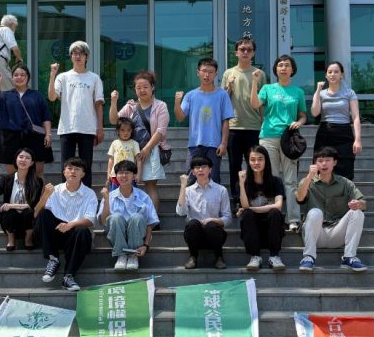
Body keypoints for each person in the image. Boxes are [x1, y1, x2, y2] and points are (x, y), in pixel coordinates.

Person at [250, 54, 307, 232]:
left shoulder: (298, 91)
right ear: (276, 69)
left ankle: (293, 219)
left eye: (287, 65)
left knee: (290, 180)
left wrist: (299, 122)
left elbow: (303, 115)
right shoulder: (267, 88)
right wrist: (254, 82)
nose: (283, 68)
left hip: (289, 139)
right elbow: (255, 104)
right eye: (280, 65)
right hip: (268, 136)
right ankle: (272, 215)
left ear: (292, 69)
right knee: (271, 177)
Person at [295, 146, 368, 273]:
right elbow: (299, 198)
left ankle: (349, 257)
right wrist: (309, 176)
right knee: (315, 212)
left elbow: (364, 203)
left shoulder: (345, 183)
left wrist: (359, 204)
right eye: (320, 160)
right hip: (315, 234)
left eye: (328, 160)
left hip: (337, 232)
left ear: (334, 162)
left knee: (357, 213)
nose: (324, 164)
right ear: (315, 164)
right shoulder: (307, 181)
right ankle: (308, 257)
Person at [109, 70, 170, 214]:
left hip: (152, 151)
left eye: (145, 87)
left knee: (150, 186)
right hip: (131, 152)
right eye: (138, 87)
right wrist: (113, 102)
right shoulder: (130, 107)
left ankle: (153, 219)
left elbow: (160, 130)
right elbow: (114, 120)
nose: (142, 90)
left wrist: (147, 149)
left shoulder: (161, 106)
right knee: (128, 185)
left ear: (152, 87)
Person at [48, 41, 104, 188]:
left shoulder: (94, 78)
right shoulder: (63, 77)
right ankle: (65, 196)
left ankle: (86, 197)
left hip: (87, 127)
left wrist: (100, 128)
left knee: (86, 165)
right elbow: (52, 97)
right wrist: (52, 75)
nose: (77, 56)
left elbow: (98, 104)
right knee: (66, 166)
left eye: (81, 53)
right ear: (71, 56)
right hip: (67, 127)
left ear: (87, 57)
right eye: (74, 53)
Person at [37, 157, 98, 292]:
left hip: (76, 235)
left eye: (77, 169)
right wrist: (45, 196)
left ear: (83, 174)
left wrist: (70, 224)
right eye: (69, 168)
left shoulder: (89, 194)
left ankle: (68, 275)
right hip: (57, 233)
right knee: (44, 213)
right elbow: (36, 214)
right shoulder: (55, 190)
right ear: (64, 172)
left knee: (82, 230)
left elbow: (90, 220)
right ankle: (53, 258)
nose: (73, 172)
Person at [174, 57, 234, 185]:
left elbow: (225, 121)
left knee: (214, 179)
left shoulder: (222, 95)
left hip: (214, 144)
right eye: (204, 71)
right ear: (198, 72)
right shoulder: (190, 95)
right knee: (190, 179)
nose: (207, 75)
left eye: (211, 72)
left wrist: (223, 143)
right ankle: (188, 199)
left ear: (216, 74)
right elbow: (180, 117)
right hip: (195, 144)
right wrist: (177, 102)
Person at [222, 37, 267, 204]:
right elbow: (223, 101)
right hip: (234, 127)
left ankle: (253, 196)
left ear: (253, 53)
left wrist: (263, 124)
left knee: (254, 165)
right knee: (234, 165)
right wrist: (229, 87)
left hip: (254, 127)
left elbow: (263, 102)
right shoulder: (228, 73)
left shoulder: (260, 74)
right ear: (236, 52)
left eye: (249, 49)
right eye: (242, 49)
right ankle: (236, 198)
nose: (245, 52)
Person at [0, 65, 52, 178]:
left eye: (22, 75)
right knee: (12, 174)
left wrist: (48, 134)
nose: (19, 77)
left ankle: (38, 191)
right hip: (11, 138)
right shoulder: (5, 95)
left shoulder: (37, 95)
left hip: (34, 137)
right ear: (12, 78)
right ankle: (15, 190)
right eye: (16, 75)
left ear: (28, 77)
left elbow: (46, 117)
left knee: (38, 172)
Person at [98, 159, 159, 272]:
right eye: (120, 173)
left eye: (127, 173)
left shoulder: (144, 197)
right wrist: (106, 200)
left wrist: (146, 245)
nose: (123, 176)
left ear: (134, 175)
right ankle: (121, 255)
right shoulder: (109, 196)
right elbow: (104, 221)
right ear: (116, 176)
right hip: (116, 238)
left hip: (137, 238)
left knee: (137, 217)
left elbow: (150, 223)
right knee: (115, 217)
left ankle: (133, 256)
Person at [176, 154, 231, 270]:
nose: (200, 170)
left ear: (210, 169)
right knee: (193, 223)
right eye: (197, 167)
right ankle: (193, 256)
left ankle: (219, 256)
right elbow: (181, 212)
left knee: (211, 225)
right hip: (195, 235)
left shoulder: (221, 190)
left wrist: (213, 220)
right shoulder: (188, 191)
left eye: (204, 167)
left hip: (215, 235)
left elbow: (228, 218)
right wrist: (183, 186)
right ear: (193, 172)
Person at [311, 61, 362, 181]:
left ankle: (345, 192)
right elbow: (314, 112)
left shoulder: (349, 93)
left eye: (336, 72)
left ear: (341, 75)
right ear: (326, 75)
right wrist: (318, 90)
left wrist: (358, 139)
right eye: (330, 72)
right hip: (325, 133)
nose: (332, 74)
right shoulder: (321, 94)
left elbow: (355, 117)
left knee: (346, 168)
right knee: (322, 167)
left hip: (344, 133)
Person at [237, 145, 286, 272]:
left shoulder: (276, 181)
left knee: (275, 212)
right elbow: (245, 206)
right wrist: (241, 183)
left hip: (272, 229)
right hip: (252, 231)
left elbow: (278, 206)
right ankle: (255, 256)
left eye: (260, 159)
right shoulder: (245, 183)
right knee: (247, 214)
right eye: (252, 159)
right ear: (248, 162)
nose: (256, 163)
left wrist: (250, 208)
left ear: (266, 161)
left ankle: (274, 256)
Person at [0, 148, 44, 251]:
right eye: (21, 157)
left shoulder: (37, 181)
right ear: (16, 159)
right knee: (8, 212)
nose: (23, 160)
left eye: (27, 158)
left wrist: (11, 205)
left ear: (32, 163)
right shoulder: (7, 179)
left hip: (28, 221)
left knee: (28, 212)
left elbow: (32, 205)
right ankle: (11, 240)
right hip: (11, 221)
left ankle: (28, 239)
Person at [106, 117, 142, 190]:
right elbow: (111, 159)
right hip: (116, 175)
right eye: (122, 130)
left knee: (131, 194)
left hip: (130, 175)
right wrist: (108, 173)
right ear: (118, 131)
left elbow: (138, 160)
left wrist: (138, 174)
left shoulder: (134, 143)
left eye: (128, 130)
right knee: (114, 194)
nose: (126, 133)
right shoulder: (114, 143)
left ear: (132, 131)